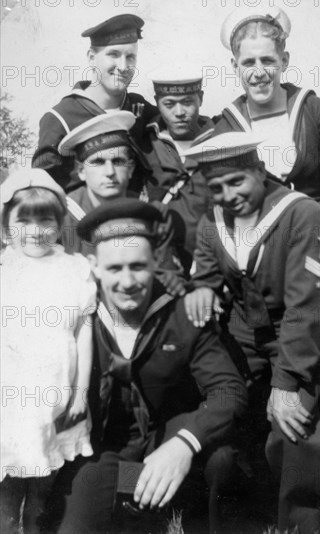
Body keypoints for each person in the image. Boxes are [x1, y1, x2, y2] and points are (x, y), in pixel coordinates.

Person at [46, 198, 248, 534]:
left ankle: (188, 507)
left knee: (221, 460)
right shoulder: (75, 313)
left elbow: (229, 391)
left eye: (137, 266)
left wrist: (185, 443)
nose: (127, 282)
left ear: (155, 261)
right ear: (93, 265)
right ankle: (132, 492)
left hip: (165, 441)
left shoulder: (184, 313)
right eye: (114, 268)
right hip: (103, 448)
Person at [183, 132, 320, 534]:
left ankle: (298, 520)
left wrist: (286, 381)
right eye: (216, 187)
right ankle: (231, 513)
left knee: (293, 425)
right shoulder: (212, 221)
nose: (228, 195)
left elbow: (308, 307)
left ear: (258, 170)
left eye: (237, 181)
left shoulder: (301, 214)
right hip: (241, 330)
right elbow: (206, 267)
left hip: (297, 329)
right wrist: (201, 287)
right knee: (223, 414)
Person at [0, 169, 96, 533]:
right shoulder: (4, 270)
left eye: (46, 219)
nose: (35, 229)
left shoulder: (74, 269)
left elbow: (83, 331)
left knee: (43, 490)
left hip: (56, 394)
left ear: (59, 224)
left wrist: (80, 392)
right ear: (7, 226)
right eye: (23, 220)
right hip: (10, 400)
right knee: (7, 488)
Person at [214, 5, 320, 219]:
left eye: (267, 60)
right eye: (248, 63)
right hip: (253, 246)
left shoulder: (312, 109)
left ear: (284, 61)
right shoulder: (226, 127)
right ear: (235, 67)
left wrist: (314, 215)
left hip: (310, 242)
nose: (259, 72)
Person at [58, 111, 185, 296]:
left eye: (118, 161)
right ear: (80, 170)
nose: (109, 172)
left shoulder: (151, 214)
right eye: (98, 162)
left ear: (131, 169)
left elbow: (169, 280)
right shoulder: (62, 215)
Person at [32, 14, 158, 193]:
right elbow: (43, 191)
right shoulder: (61, 118)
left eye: (130, 57)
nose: (123, 66)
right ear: (91, 57)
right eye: (113, 55)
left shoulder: (139, 107)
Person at [141, 75, 215, 275]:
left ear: (201, 98)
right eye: (169, 104)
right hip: (161, 262)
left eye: (188, 102)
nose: (179, 112)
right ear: (157, 102)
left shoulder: (220, 139)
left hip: (211, 259)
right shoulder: (143, 142)